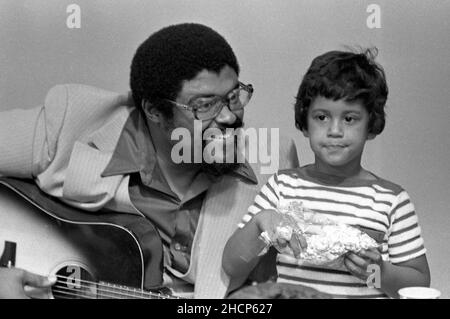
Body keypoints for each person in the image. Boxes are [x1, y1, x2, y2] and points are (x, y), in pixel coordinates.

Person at [0, 23, 298, 298]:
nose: (229, 117)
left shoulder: (273, 163)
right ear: (155, 111)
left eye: (234, 97)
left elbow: (285, 280)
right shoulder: (72, 123)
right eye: (204, 105)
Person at [222, 48, 430, 298]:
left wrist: (378, 272)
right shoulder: (282, 187)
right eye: (322, 117)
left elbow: (418, 284)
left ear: (371, 126)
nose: (334, 130)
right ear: (305, 122)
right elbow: (232, 265)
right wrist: (261, 222)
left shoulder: (391, 201)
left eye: (350, 119)